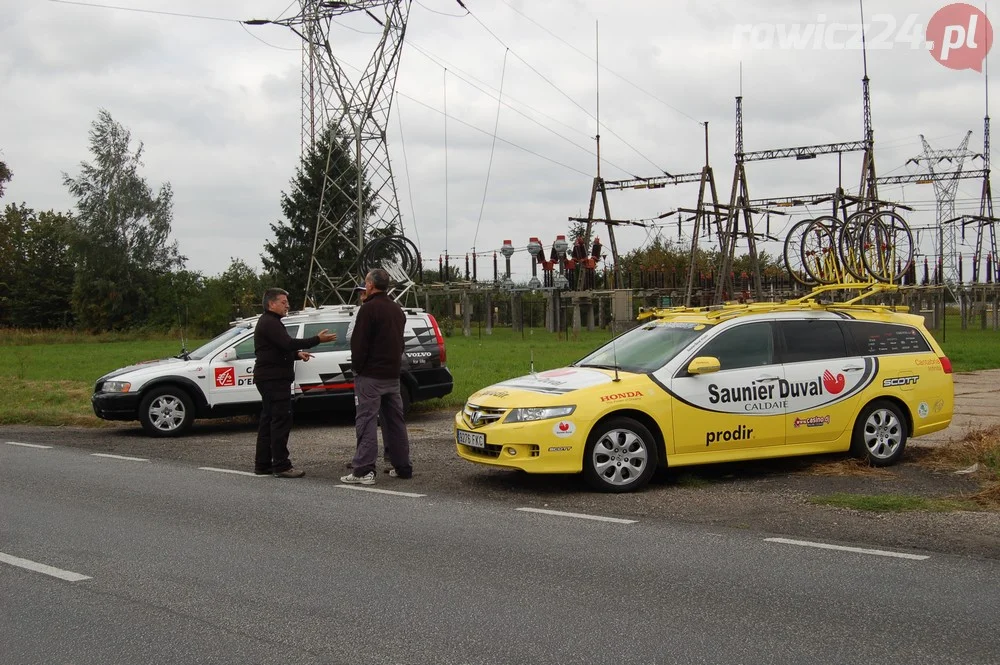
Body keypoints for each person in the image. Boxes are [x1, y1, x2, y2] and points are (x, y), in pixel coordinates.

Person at [341, 268, 413, 484]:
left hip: (370, 375)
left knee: (367, 421)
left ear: (370, 285)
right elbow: (399, 343)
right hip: (392, 375)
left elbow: (359, 344)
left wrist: (358, 368)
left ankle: (364, 470)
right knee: (395, 422)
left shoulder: (368, 309)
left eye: (366, 282)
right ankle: (403, 466)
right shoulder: (397, 310)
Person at [254, 288, 336, 478]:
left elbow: (277, 349)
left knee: (268, 420)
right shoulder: (270, 322)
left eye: (287, 302)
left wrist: (296, 355)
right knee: (281, 421)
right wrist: (317, 339)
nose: (287, 306)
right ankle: (281, 465)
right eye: (283, 302)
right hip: (274, 380)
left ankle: (263, 464)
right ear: (271, 304)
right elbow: (287, 343)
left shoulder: (271, 322)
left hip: (269, 378)